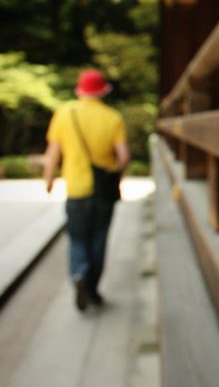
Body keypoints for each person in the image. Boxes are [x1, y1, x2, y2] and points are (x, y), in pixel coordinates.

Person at [43, 69, 130, 311]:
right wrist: (114, 175)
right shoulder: (113, 117)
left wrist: (48, 180)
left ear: (80, 90)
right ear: (103, 91)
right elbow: (124, 156)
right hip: (103, 192)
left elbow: (53, 154)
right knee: (99, 239)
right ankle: (92, 290)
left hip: (76, 189)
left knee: (78, 238)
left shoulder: (64, 113)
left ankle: (79, 271)